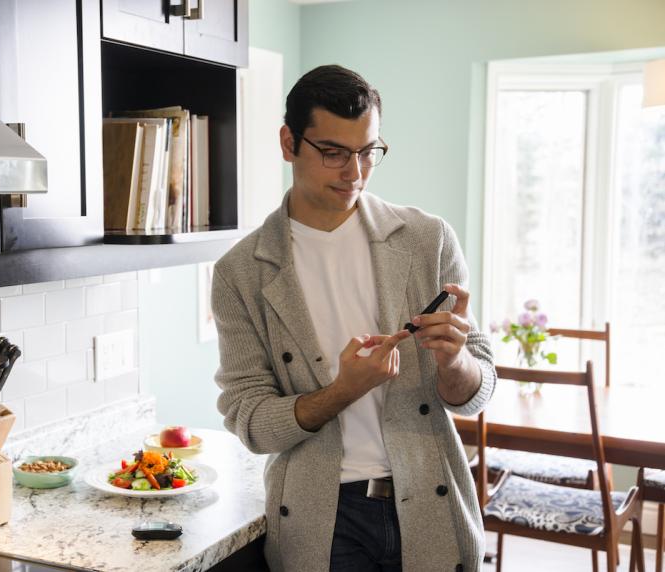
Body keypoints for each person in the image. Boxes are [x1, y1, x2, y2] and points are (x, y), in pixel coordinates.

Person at [211, 64, 496, 572]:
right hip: (322, 519)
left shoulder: (428, 240)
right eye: (334, 153)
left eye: (369, 152)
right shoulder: (241, 272)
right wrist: (343, 391)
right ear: (288, 143)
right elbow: (250, 420)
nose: (355, 173)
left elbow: (476, 392)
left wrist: (455, 361)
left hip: (430, 499)